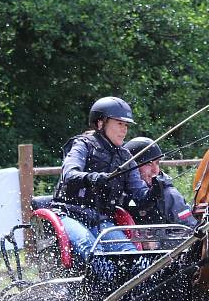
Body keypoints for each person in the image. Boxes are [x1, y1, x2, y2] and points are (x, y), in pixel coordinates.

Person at [52, 96, 157, 287]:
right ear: (101, 123)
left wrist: (155, 190)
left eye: (126, 125)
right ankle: (99, 300)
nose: (124, 129)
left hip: (102, 220)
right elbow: (70, 174)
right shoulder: (82, 145)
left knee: (133, 258)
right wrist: (93, 178)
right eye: (119, 123)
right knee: (93, 252)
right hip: (69, 215)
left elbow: (139, 194)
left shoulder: (125, 155)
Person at [121, 137, 196, 248]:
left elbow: (191, 232)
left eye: (157, 163)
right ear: (131, 168)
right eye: (148, 164)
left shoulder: (169, 195)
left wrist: (158, 244)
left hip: (165, 259)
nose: (155, 170)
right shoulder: (119, 194)